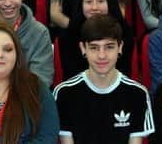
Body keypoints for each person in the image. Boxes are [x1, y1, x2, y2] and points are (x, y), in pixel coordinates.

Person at [53, 15, 154, 143]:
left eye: (109, 47)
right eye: (94, 48)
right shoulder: (64, 93)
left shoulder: (137, 94)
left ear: (120, 47)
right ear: (83, 48)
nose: (102, 55)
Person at [57, 0, 134, 81]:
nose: (94, 7)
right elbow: (71, 77)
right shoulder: (69, 36)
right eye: (88, 1)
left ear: (110, 2)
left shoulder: (124, 33)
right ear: (81, 4)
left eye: (100, 1)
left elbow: (124, 74)